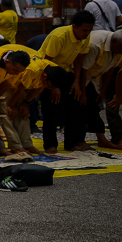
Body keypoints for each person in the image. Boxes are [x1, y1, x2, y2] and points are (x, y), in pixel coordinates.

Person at [36, 11, 96, 153]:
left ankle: (71, 143)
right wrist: (53, 86)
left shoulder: (84, 37)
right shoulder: (59, 36)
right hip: (48, 73)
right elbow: (46, 61)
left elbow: (79, 58)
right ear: (74, 26)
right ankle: (50, 144)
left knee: (74, 107)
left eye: (89, 30)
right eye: (84, 30)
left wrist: (76, 81)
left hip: (67, 72)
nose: (87, 33)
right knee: (51, 109)